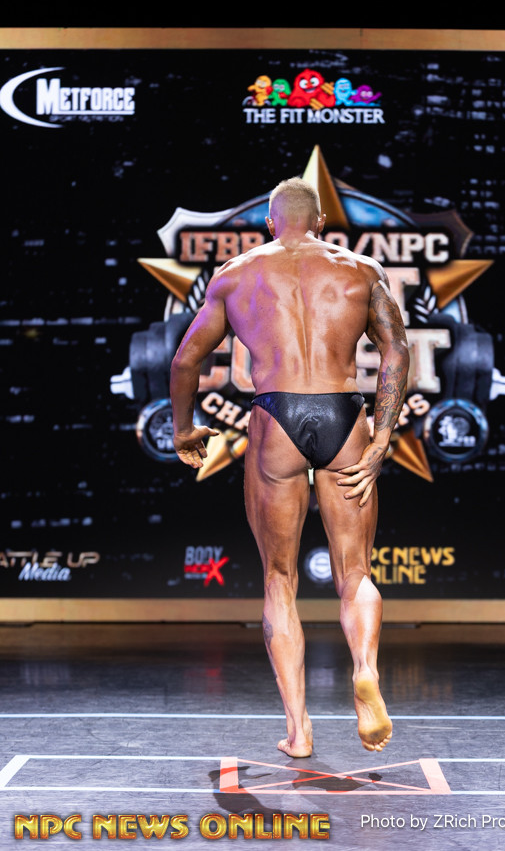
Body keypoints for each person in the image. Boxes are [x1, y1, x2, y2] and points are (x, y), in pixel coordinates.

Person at [170, 177, 409, 757]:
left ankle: (299, 733)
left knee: (279, 580)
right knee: (356, 573)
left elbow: (184, 361)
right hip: (343, 414)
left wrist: (182, 429)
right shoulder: (361, 270)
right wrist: (381, 437)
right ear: (322, 221)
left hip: (276, 417)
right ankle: (365, 669)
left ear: (270, 223)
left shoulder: (235, 275)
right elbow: (396, 350)